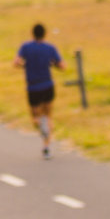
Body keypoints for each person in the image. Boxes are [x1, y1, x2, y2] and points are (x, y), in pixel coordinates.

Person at [14, 23, 64, 158]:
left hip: (33, 87)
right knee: (48, 115)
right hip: (47, 85)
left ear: (32, 33)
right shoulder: (50, 48)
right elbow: (62, 65)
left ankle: (41, 127)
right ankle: (46, 145)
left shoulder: (25, 47)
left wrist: (26, 65)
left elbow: (16, 63)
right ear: (45, 34)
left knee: (35, 117)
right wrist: (51, 64)